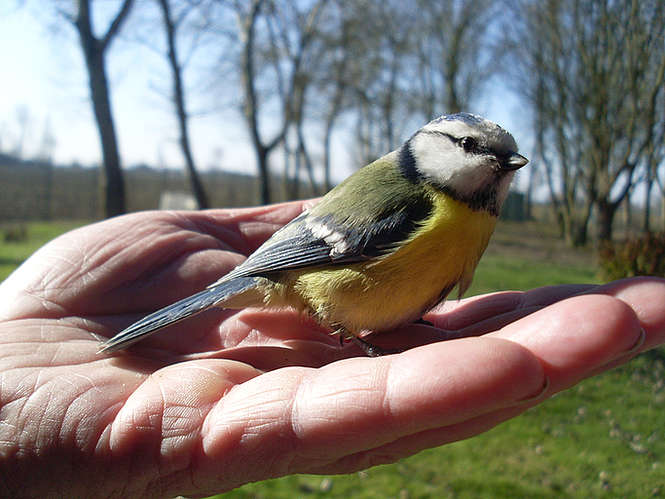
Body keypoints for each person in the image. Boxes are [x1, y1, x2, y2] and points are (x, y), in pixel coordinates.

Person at [0, 201, 662, 498]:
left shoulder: (461, 217)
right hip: (293, 274)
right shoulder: (419, 205)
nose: (492, 171)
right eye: (469, 150)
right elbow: (310, 259)